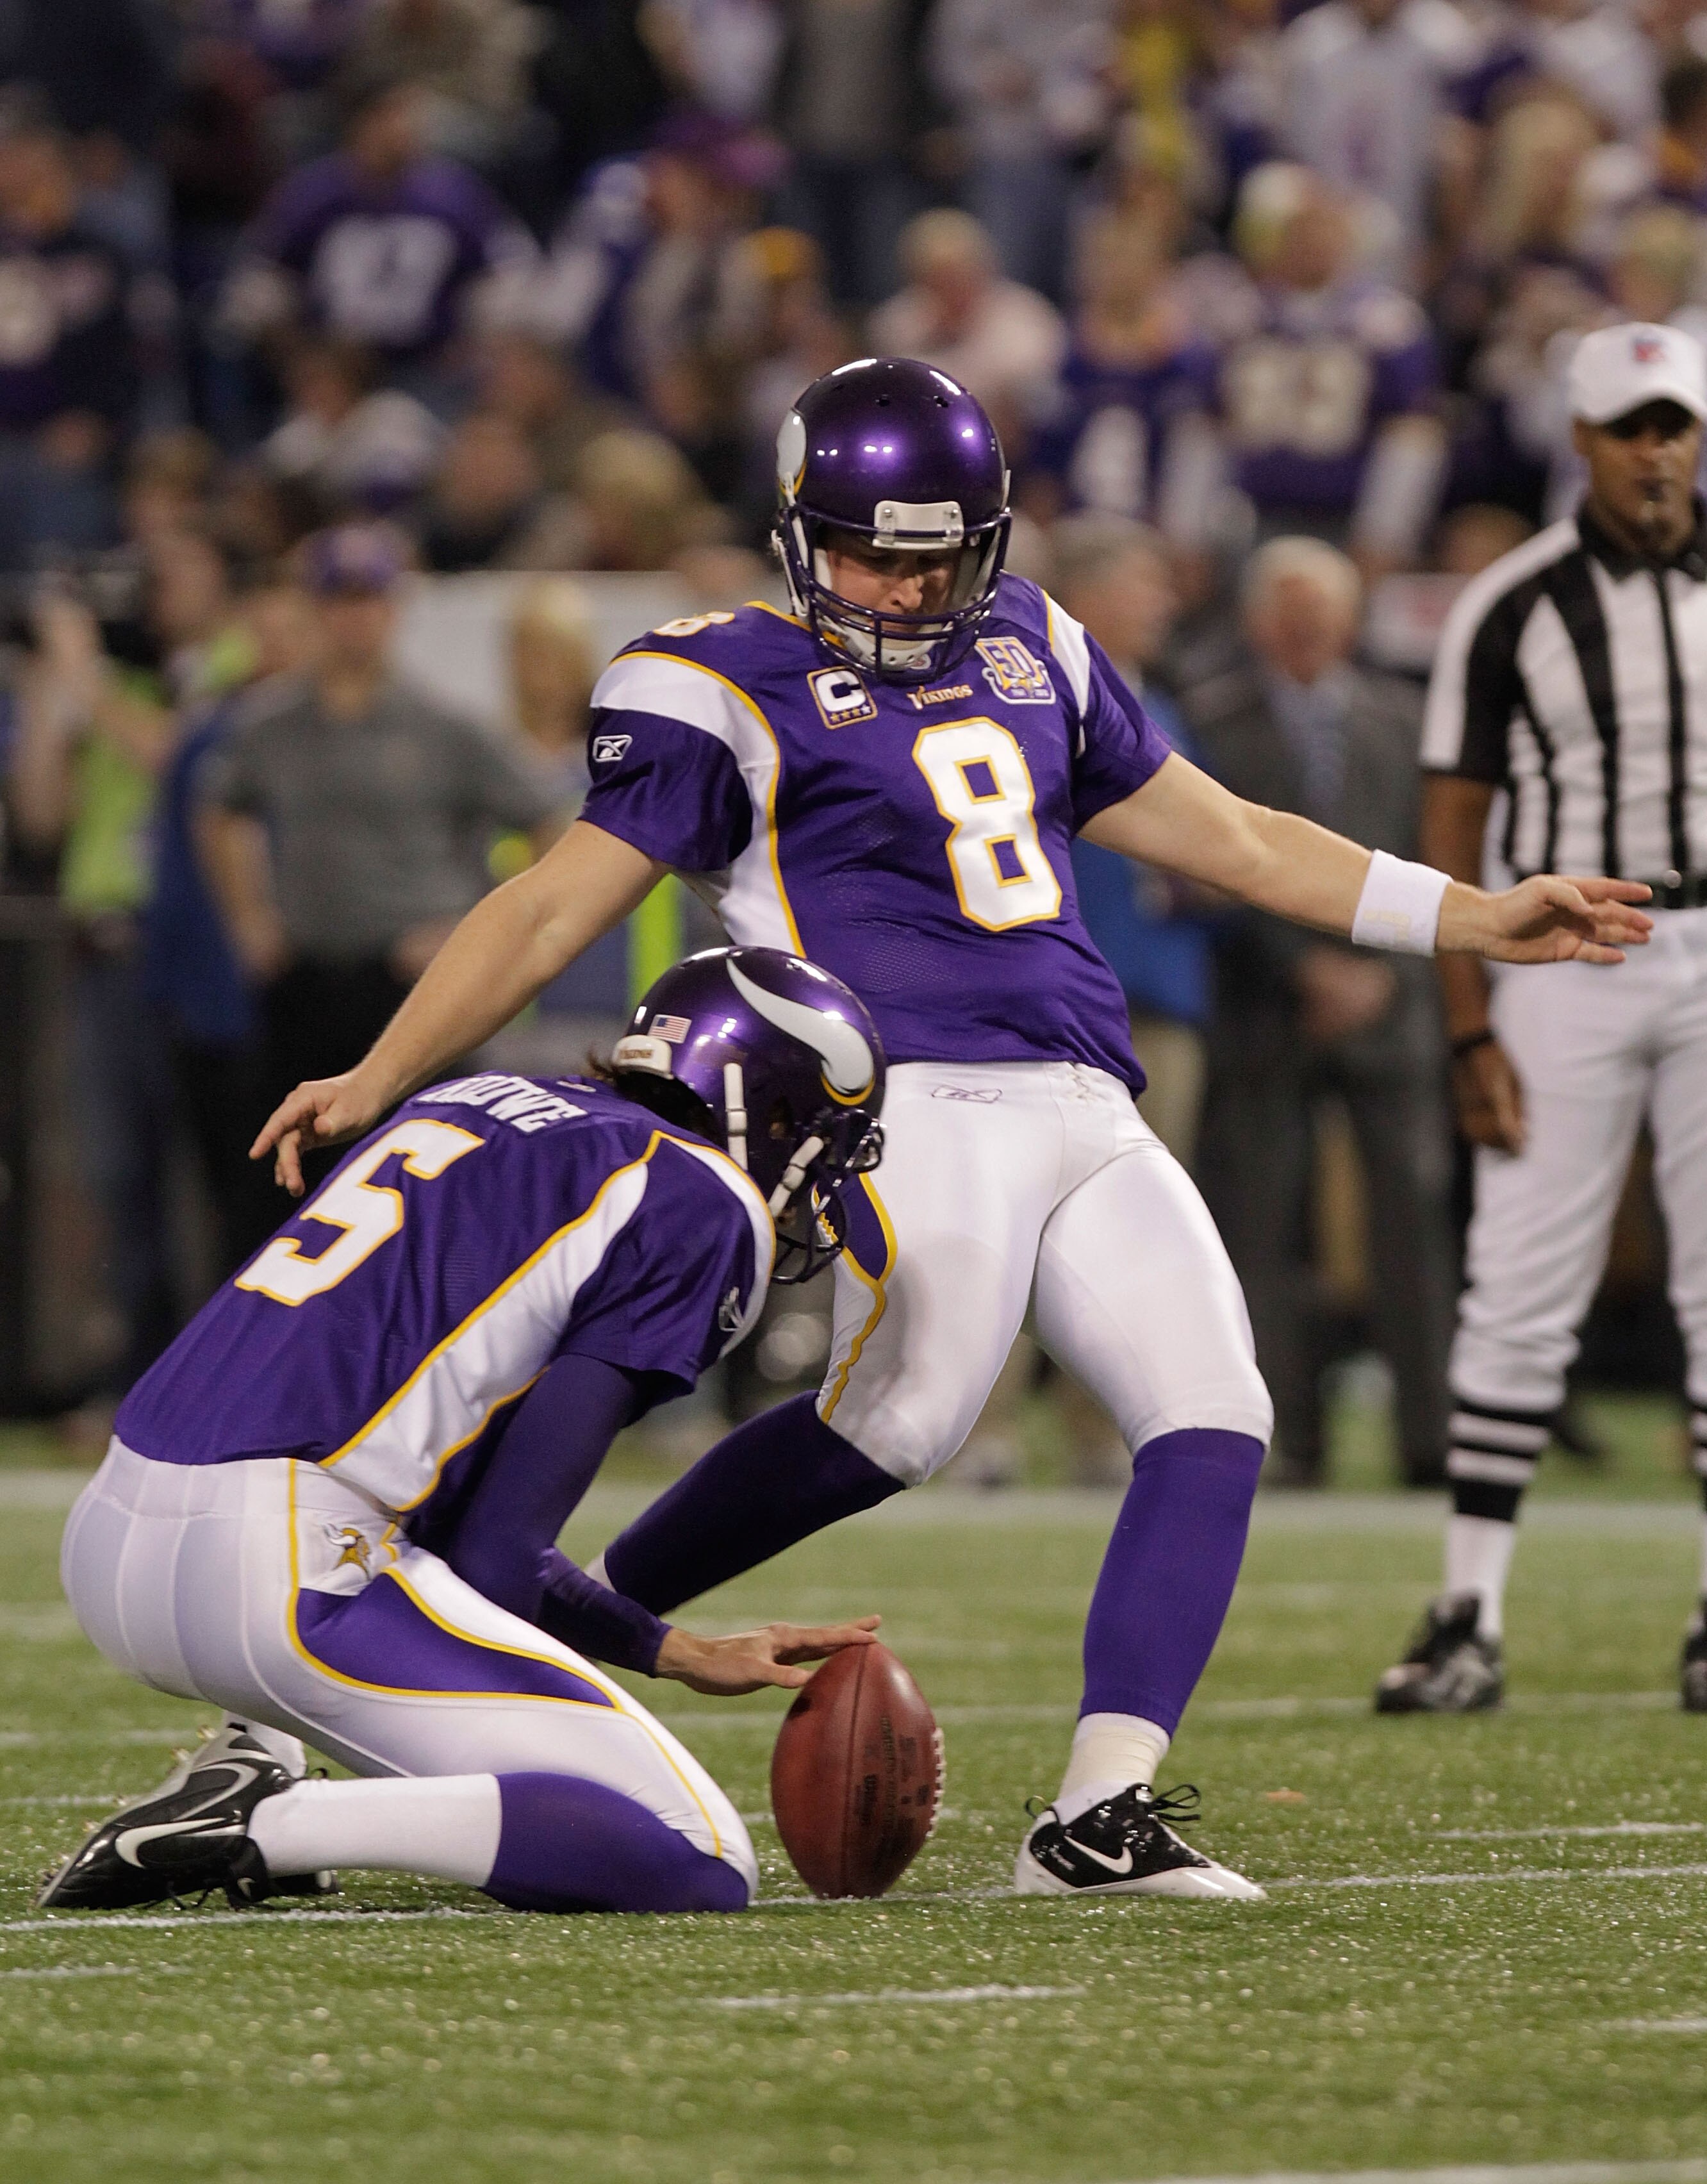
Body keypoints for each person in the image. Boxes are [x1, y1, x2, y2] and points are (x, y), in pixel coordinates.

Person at [252, 358, 1651, 1901]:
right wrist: (383, 1064)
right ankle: (502, 1621)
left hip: (1078, 1085)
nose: (914, 584)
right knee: (908, 1414)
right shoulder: (708, 676)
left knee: (1213, 1406)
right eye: (876, 550)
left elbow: (1237, 837)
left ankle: (1097, 1812)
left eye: (942, 551)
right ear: (797, 529)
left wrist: (1468, 915)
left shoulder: (1034, 638)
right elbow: (546, 906)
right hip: (897, 1089)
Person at [40, 947, 884, 1916]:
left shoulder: (478, 1097)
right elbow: (495, 1557)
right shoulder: (699, 1196)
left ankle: (246, 1755)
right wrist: (648, 1642)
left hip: (112, 1537)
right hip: (283, 1577)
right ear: (769, 1109)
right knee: (697, 1855)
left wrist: (677, 1652)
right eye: (817, 1136)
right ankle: (266, 1825)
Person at [1377, 321, 1707, 1712]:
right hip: (1563, 953)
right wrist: (1467, 1029)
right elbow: (1449, 825)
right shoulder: (1510, 605)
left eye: (1676, 425)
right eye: (1633, 427)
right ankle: (1468, 1611)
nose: (1658, 452)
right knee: (1518, 1284)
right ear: (1579, 439)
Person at [1187, 536, 1456, 1489]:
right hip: (1267, 1004)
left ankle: (1433, 1439)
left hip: (1391, 1000)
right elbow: (1208, 861)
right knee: (1261, 1226)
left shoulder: (1406, 717)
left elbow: (1442, 855)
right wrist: (1303, 964)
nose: (1305, 627)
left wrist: (1381, 968)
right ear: (1259, 617)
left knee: (1412, 1226)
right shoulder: (1210, 717)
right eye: (1288, 608)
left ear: (1350, 617)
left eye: (1321, 608)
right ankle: (1286, 1434)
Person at [197, 522, 560, 1123]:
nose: (353, 619)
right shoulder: (269, 725)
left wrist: (472, 924)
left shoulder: (444, 725)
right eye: (338, 601)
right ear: (315, 609)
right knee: (289, 1166)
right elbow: (221, 809)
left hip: (409, 979)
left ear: (392, 610)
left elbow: (547, 821)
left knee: (420, 1159)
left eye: (367, 600)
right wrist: (248, 919)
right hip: (303, 978)